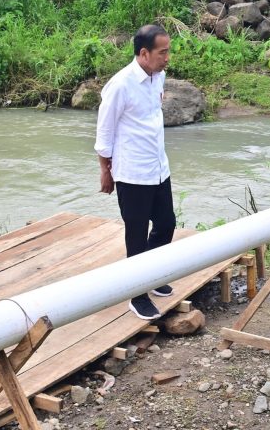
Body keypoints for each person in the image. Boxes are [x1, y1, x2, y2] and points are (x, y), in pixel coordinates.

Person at [94, 24, 176, 321]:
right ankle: (136, 293)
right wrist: (106, 171)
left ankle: (151, 276)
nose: (168, 58)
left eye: (168, 51)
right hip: (131, 173)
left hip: (158, 167)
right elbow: (105, 131)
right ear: (144, 53)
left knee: (167, 223)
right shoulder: (120, 85)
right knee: (137, 232)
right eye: (162, 52)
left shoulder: (158, 76)